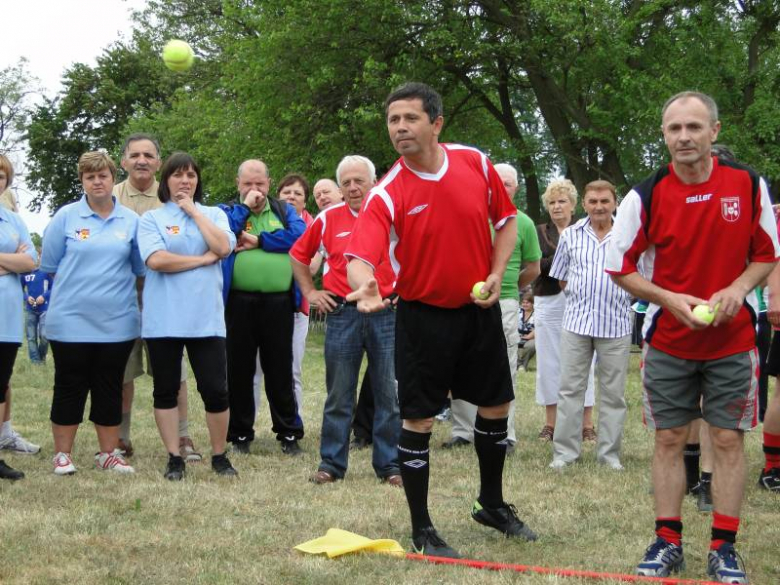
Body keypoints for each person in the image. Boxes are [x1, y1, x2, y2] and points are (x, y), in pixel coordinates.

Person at [346, 82, 537, 558]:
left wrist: (496, 274)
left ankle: (491, 505)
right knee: (419, 419)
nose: (400, 128)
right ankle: (422, 529)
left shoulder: (473, 161)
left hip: (478, 313)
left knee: (496, 406)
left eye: (410, 118)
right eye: (393, 120)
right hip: (422, 318)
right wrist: (365, 283)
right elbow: (360, 256)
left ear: (436, 123)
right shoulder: (387, 193)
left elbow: (506, 221)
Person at [607, 91, 778, 583]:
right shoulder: (645, 194)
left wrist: (738, 287)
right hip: (669, 341)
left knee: (726, 440)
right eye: (674, 128)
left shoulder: (747, 185)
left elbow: (767, 252)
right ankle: (667, 541)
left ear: (714, 132)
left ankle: (724, 547)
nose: (684, 137)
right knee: (669, 438)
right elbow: (617, 266)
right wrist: (667, 299)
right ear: (664, 135)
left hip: (734, 339)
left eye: (694, 127)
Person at [291, 155, 401, 486]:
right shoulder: (326, 219)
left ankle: (390, 465)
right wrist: (310, 292)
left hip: (386, 313)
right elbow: (298, 255)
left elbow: (415, 254)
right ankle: (331, 464)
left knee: (388, 394)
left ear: (375, 181)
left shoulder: (391, 217)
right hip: (342, 314)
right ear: (340, 188)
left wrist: (403, 291)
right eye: (347, 183)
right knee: (339, 393)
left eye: (360, 181)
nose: (353, 188)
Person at [42, 151, 144, 476]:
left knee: (109, 386)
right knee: (69, 384)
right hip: (69, 321)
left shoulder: (131, 221)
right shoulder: (66, 217)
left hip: (117, 322)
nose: (97, 181)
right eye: (90, 177)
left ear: (114, 178)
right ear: (82, 181)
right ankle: (62, 455)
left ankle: (107, 454)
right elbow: (51, 266)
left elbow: (140, 269)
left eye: (103, 175)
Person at [138, 152, 237, 480]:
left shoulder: (213, 214)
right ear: (166, 180)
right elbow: (157, 260)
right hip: (164, 320)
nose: (185, 181)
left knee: (215, 390)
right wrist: (200, 260)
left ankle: (220, 455)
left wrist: (193, 211)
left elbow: (222, 248)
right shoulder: (151, 219)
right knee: (165, 389)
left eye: (191, 175)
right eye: (178, 175)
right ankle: (174, 457)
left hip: (206, 320)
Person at [114, 133, 201, 462]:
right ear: (123, 161)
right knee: (123, 372)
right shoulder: (109, 196)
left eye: (148, 155)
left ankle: (183, 437)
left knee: (174, 373)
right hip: (121, 298)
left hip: (164, 296)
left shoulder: (173, 200)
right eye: (134, 155)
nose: (141, 160)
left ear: (158, 163)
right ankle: (121, 437)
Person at [445, 162, 541, 450]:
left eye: (507, 184)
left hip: (505, 301)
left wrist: (509, 288)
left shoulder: (522, 222)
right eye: (495, 182)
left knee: (503, 365)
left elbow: (534, 268)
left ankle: (504, 434)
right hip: (463, 300)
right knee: (460, 364)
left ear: (516, 189)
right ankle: (463, 432)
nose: (500, 187)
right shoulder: (468, 214)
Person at [219, 160, 306, 455]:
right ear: (238, 183)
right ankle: (240, 434)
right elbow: (223, 237)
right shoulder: (229, 211)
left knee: (280, 368)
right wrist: (244, 208)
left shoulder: (284, 211)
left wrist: (260, 242)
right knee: (239, 370)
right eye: (248, 184)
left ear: (269, 184)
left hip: (278, 303)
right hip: (238, 302)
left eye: (259, 184)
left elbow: (300, 236)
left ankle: (289, 433)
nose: (254, 190)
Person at [548, 180, 632, 471]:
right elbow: (560, 276)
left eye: (604, 201)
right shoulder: (570, 235)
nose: (599, 207)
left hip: (616, 324)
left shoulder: (628, 235)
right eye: (593, 201)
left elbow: (641, 276)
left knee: (614, 393)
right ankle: (565, 454)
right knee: (570, 389)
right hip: (576, 323)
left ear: (614, 203)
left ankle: (609, 455)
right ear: (583, 204)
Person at [533, 179, 596, 442]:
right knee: (548, 362)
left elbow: (592, 262)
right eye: (552, 202)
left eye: (562, 201)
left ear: (573, 204)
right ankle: (551, 422)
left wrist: (556, 261)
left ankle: (586, 424)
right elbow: (538, 264)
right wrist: (567, 259)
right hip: (548, 300)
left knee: (584, 361)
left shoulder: (585, 229)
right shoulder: (539, 231)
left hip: (580, 301)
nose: (557, 206)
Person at [253, 174, 316, 420]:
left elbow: (309, 264)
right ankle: (246, 426)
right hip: (259, 304)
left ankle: (293, 423)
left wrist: (260, 243)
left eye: (298, 193)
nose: (291, 196)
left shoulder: (311, 225)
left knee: (292, 369)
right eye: (286, 191)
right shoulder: (264, 219)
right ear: (277, 195)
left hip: (295, 308)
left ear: (305, 201)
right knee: (253, 369)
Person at [0, 189, 36, 479]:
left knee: (0, 384)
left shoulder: (12, 220)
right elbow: (19, 262)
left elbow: (30, 262)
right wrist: (11, 260)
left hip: (7, 315)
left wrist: (13, 262)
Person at [21, 260, 53, 364]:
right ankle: (35, 361)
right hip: (30, 309)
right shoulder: (25, 273)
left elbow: (53, 288)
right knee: (31, 337)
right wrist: (26, 297)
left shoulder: (46, 272)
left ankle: (41, 356)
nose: (36, 260)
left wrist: (44, 296)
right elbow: (19, 288)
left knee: (44, 336)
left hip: (44, 309)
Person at [517, 292, 536, 371]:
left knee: (531, 345)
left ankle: (522, 365)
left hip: (531, 337)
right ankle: (517, 365)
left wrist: (528, 337)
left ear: (532, 303)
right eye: (523, 302)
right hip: (517, 335)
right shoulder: (518, 311)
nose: (525, 304)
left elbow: (538, 328)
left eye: (527, 302)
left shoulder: (537, 313)